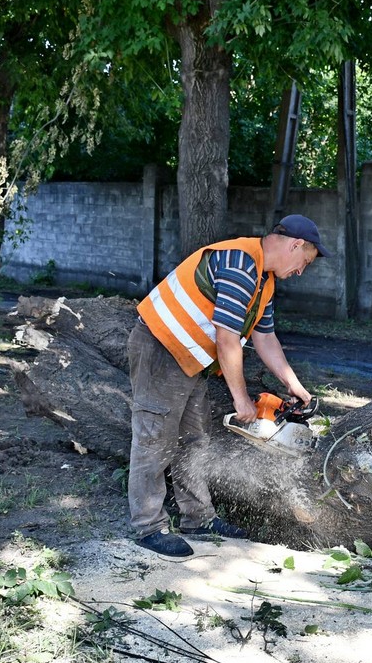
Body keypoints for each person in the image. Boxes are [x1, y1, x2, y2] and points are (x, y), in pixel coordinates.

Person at [127, 215, 331, 557]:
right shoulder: (241, 264)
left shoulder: (264, 282)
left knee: (194, 438)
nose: (300, 271)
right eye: (304, 262)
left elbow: (265, 339)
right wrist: (241, 400)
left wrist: (297, 388)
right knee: (155, 436)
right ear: (295, 245)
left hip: (188, 357)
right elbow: (227, 339)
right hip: (160, 346)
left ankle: (197, 517)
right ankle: (149, 526)